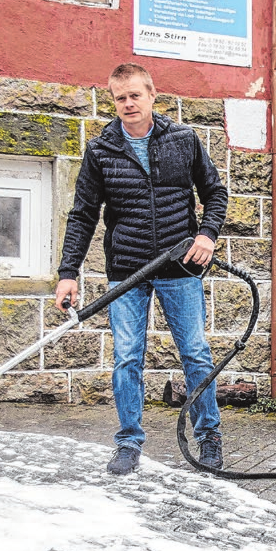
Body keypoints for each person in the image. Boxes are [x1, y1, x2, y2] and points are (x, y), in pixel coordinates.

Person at [55, 63, 228, 475]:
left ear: (152, 95)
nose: (129, 103)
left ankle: (209, 436)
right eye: (120, 97)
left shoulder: (184, 140)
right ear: (112, 101)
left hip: (180, 266)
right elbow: (83, 215)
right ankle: (129, 443)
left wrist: (206, 235)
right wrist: (68, 272)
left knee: (195, 353)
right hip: (127, 271)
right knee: (127, 358)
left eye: (135, 94)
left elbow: (215, 193)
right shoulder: (100, 152)